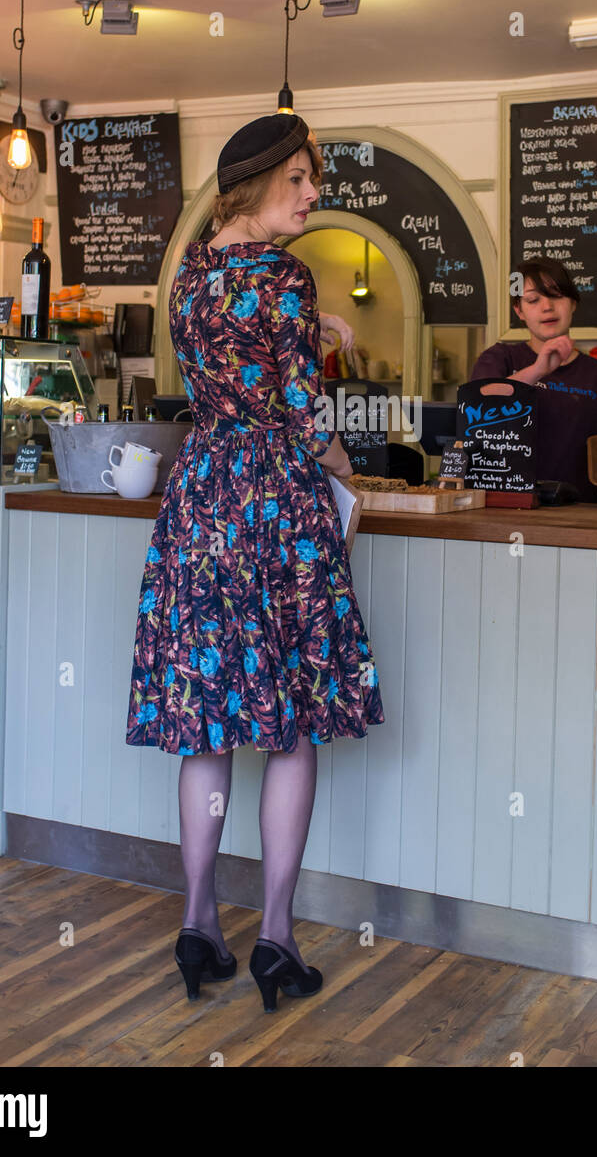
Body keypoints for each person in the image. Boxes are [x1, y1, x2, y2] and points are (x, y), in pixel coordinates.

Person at [126, 112, 384, 1013]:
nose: (315, 194)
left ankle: (199, 925)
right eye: (303, 179)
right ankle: (275, 937)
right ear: (260, 182)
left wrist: (318, 325)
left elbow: (231, 372)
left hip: (200, 500)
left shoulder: (189, 271)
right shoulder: (285, 277)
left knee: (206, 722)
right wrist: (348, 464)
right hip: (277, 506)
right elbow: (306, 415)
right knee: (290, 727)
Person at [469, 256, 597, 501]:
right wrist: (538, 370)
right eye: (533, 300)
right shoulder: (500, 358)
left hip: (579, 514)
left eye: (556, 296)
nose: (547, 307)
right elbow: (475, 408)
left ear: (573, 303)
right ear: (519, 311)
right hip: (504, 506)